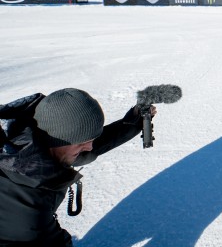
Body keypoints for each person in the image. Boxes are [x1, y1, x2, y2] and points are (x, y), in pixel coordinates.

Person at [0, 88, 157, 246]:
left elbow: (90, 142)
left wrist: (132, 123)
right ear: (57, 140)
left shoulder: (32, 137)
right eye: (82, 142)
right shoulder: (27, 208)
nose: (89, 147)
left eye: (91, 139)